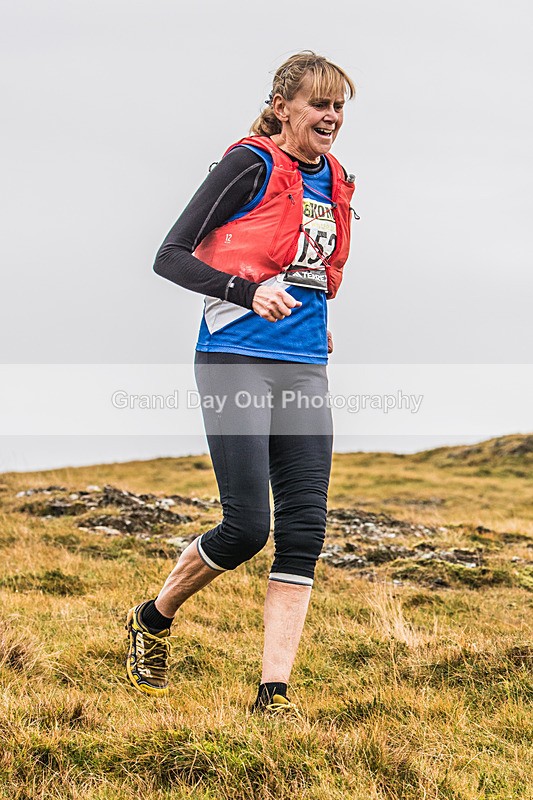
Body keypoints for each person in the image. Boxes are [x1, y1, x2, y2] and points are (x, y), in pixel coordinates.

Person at [126, 51, 356, 712]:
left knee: (305, 530)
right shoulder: (249, 164)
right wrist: (245, 293)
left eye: (339, 105)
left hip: (305, 363)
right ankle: (154, 616)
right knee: (248, 526)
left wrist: (317, 323)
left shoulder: (335, 178)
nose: (331, 116)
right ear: (284, 108)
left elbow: (308, 268)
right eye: (319, 103)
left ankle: (273, 694)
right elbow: (169, 255)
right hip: (235, 357)